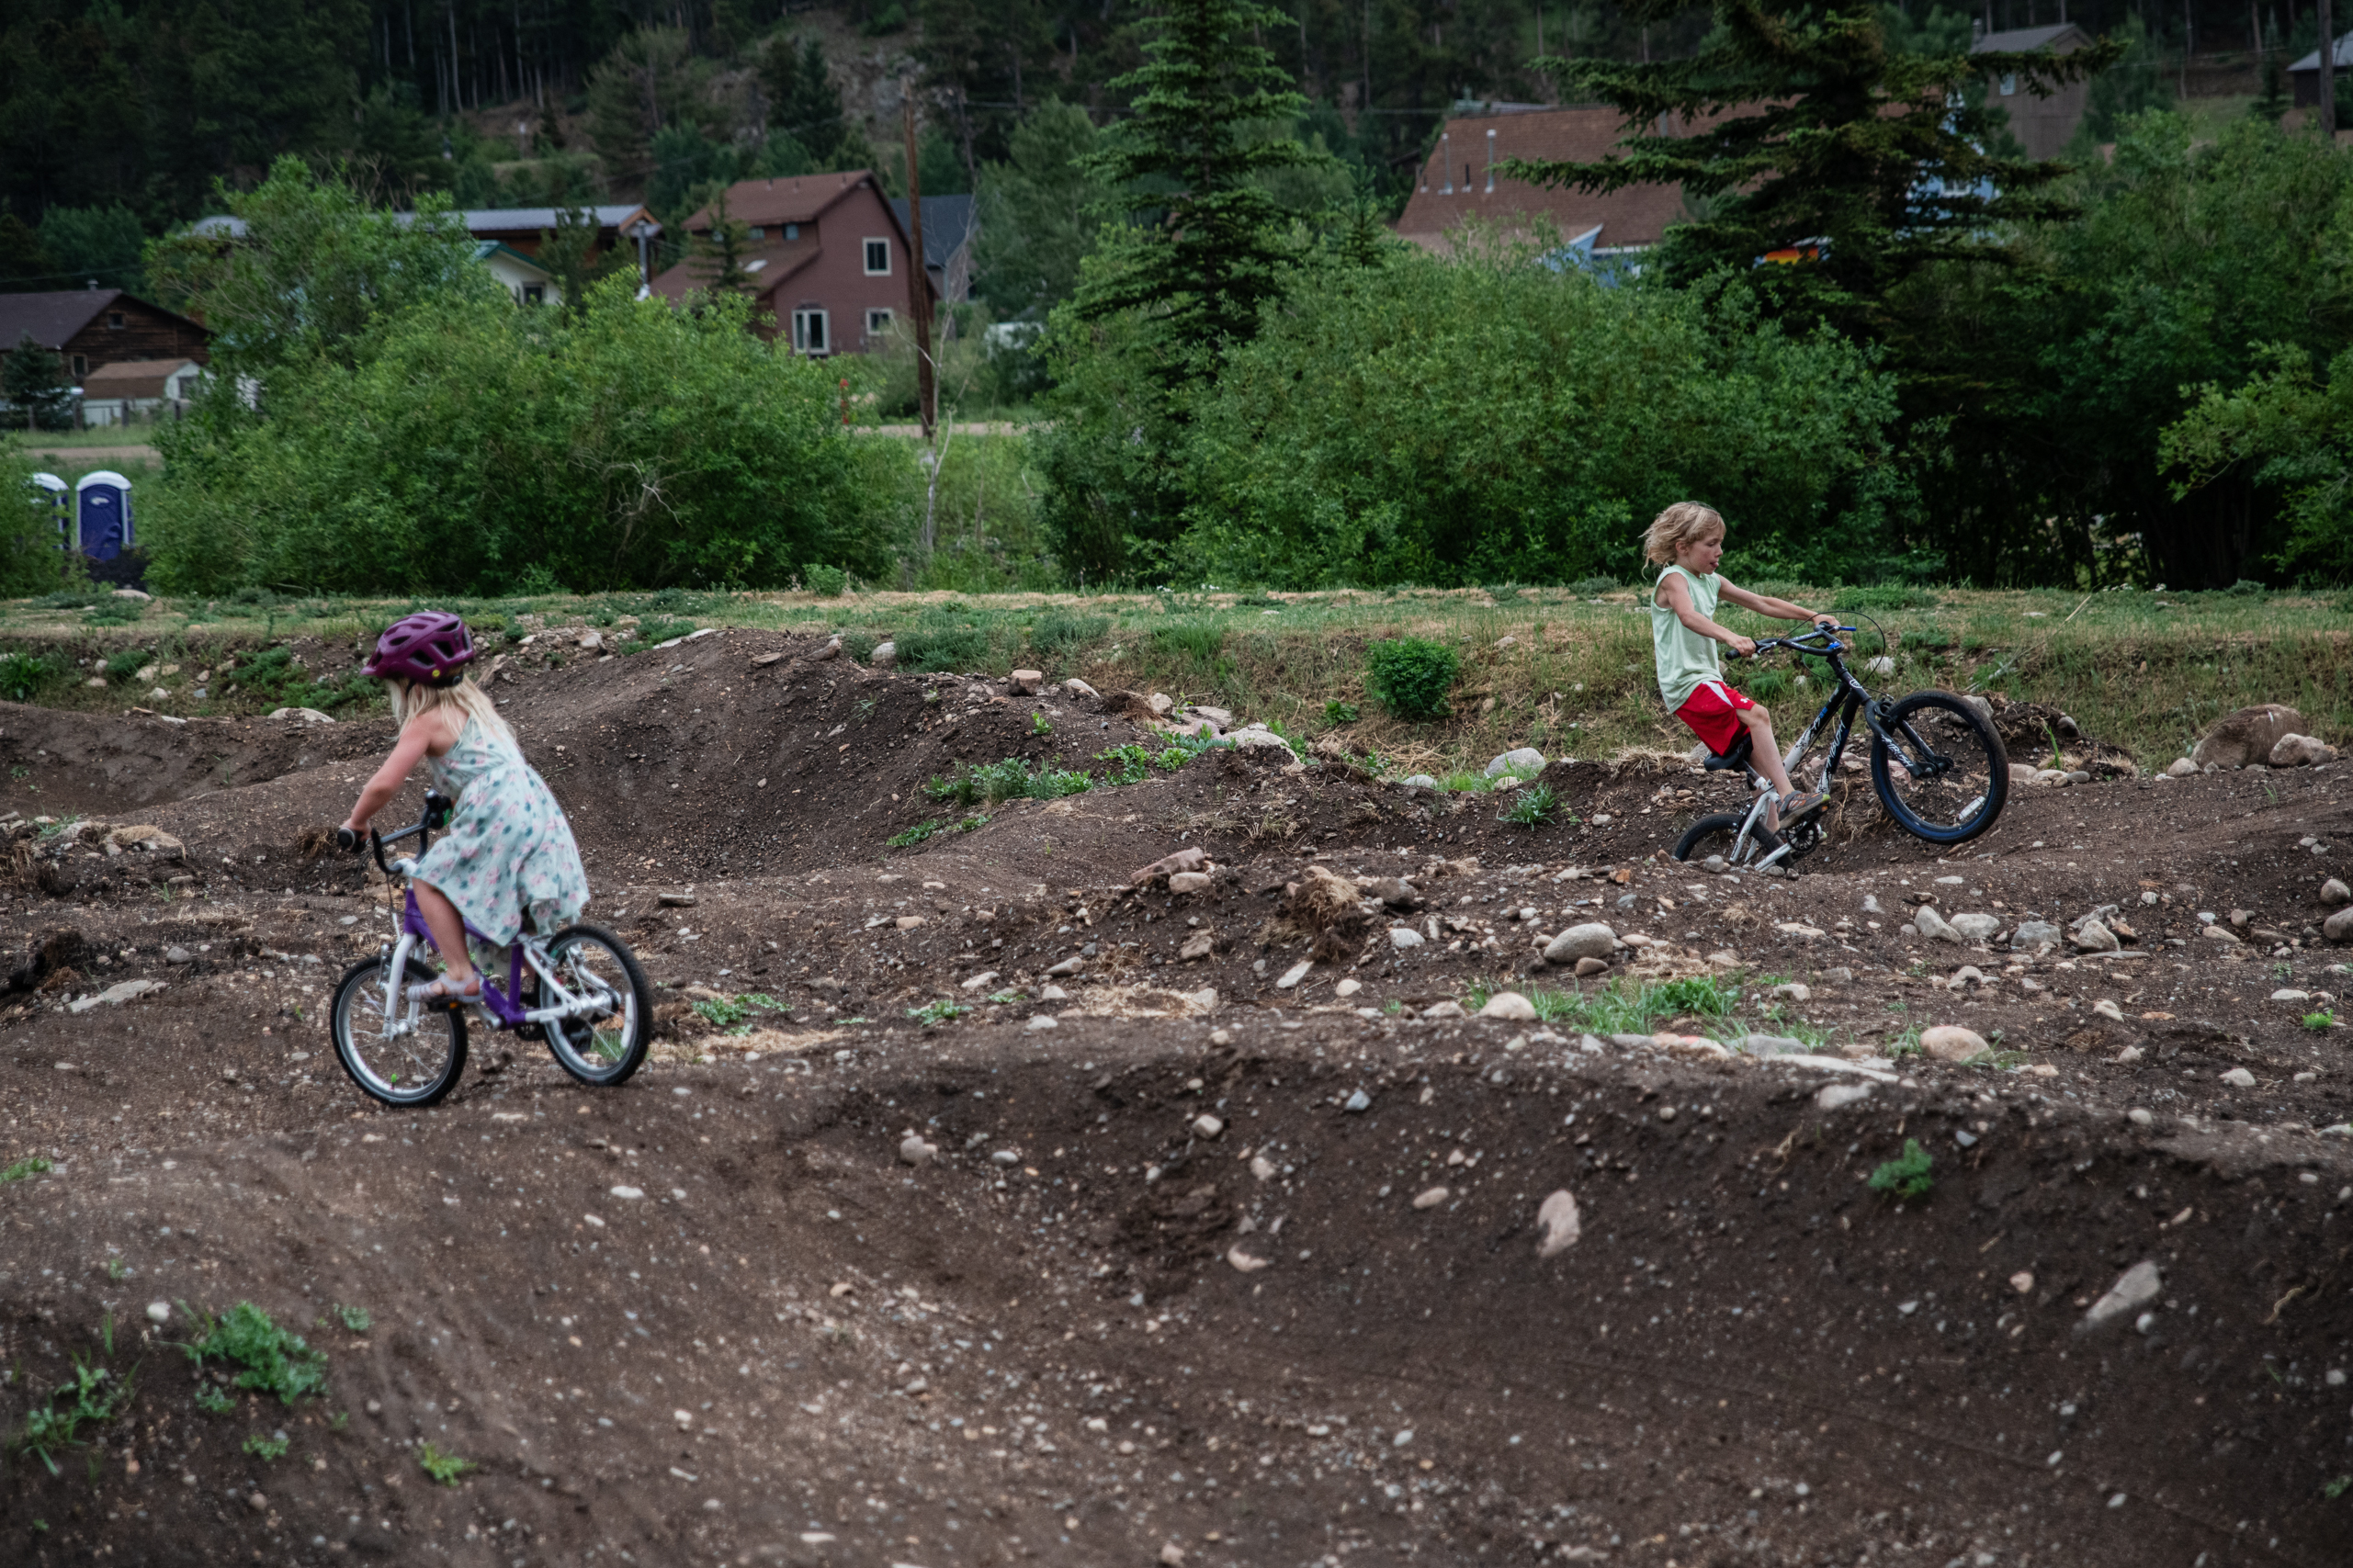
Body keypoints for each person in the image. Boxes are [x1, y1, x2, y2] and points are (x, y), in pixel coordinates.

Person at [339, 611, 589, 1002]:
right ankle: (548, 990)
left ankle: (459, 975)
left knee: (428, 880)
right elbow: (478, 767)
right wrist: (450, 802)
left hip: (496, 810)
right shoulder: (478, 706)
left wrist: (357, 822)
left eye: (393, 685)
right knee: (511, 898)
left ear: (410, 681)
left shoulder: (425, 720)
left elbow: (384, 783)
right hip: (532, 802)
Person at [1645, 502, 1838, 833]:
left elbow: (1761, 602)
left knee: (1759, 763)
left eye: (1720, 543)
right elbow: (1688, 616)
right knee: (1757, 714)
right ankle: (1790, 796)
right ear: (1682, 547)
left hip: (1706, 682)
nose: (1719, 551)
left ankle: (1773, 839)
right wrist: (1731, 636)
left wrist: (1811, 615)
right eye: (1711, 544)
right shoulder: (1673, 578)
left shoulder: (1711, 580)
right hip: (1687, 684)